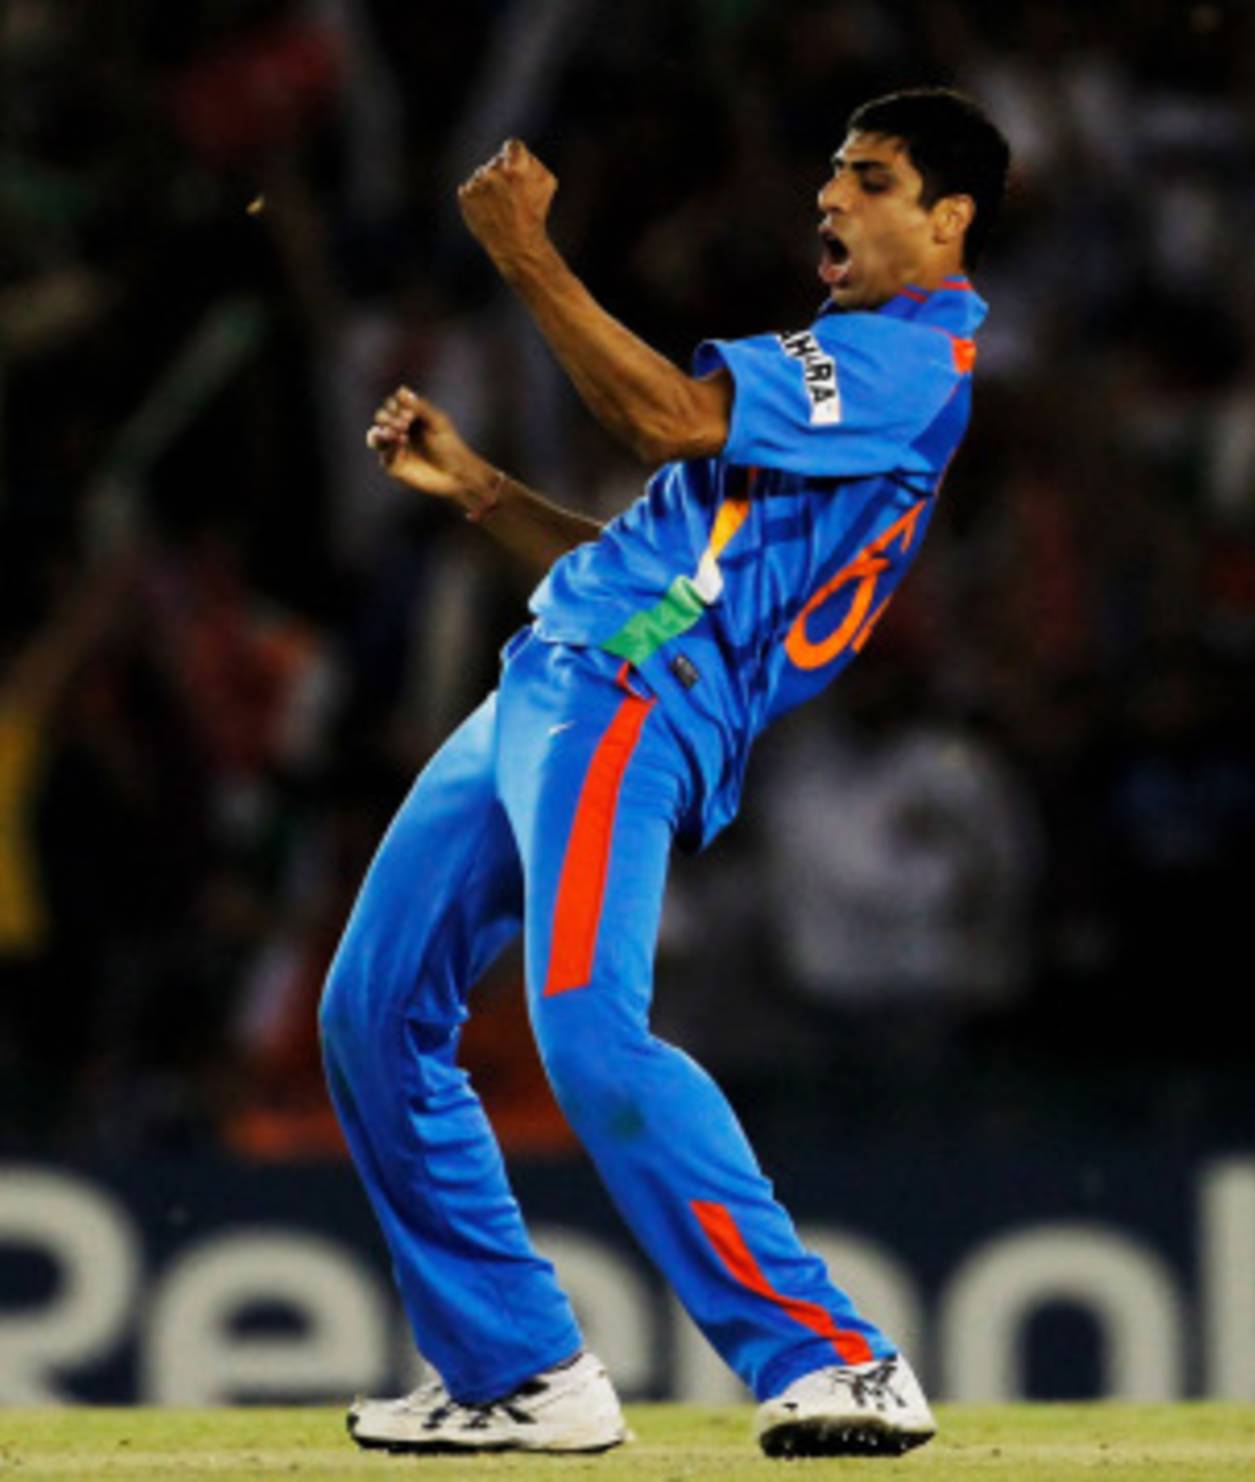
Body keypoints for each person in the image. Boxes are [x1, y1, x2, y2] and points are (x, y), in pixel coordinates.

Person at [321, 87, 1009, 1458]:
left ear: (950, 218)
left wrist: (523, 253)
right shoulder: (837, 361)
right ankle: (519, 1369)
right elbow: (649, 571)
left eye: (868, 179)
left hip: (632, 702)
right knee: (370, 1013)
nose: (829, 197)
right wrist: (485, 496)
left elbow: (664, 420)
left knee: (585, 1024)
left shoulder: (913, 363)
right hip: (563, 675)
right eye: (831, 171)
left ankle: (836, 1356)